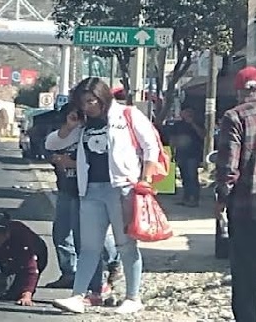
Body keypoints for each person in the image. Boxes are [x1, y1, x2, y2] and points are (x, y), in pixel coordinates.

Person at [52, 77, 161, 315]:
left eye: (91, 101)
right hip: (90, 190)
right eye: (83, 102)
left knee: (126, 244)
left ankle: (133, 296)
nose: (87, 106)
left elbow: (150, 145)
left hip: (122, 188)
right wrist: (69, 126)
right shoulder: (83, 124)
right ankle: (79, 295)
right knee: (89, 247)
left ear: (102, 98)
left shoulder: (127, 115)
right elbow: (52, 143)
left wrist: (146, 179)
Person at [215, 66, 256, 322]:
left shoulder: (234, 116)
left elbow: (228, 166)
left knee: (247, 280)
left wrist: (221, 198)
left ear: (239, 91)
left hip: (247, 209)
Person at [44, 102, 120, 301]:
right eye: (72, 116)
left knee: (87, 240)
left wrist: (73, 164)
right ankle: (70, 273)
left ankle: (104, 274)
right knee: (61, 234)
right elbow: (50, 146)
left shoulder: (93, 134)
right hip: (66, 189)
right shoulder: (66, 133)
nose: (77, 119)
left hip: (85, 192)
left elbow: (98, 162)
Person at [170, 106, 204, 207]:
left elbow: (203, 135)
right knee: (184, 177)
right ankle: (186, 198)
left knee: (192, 176)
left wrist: (192, 123)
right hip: (181, 154)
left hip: (193, 154)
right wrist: (172, 151)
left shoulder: (197, 123)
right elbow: (173, 138)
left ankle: (194, 199)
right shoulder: (178, 124)